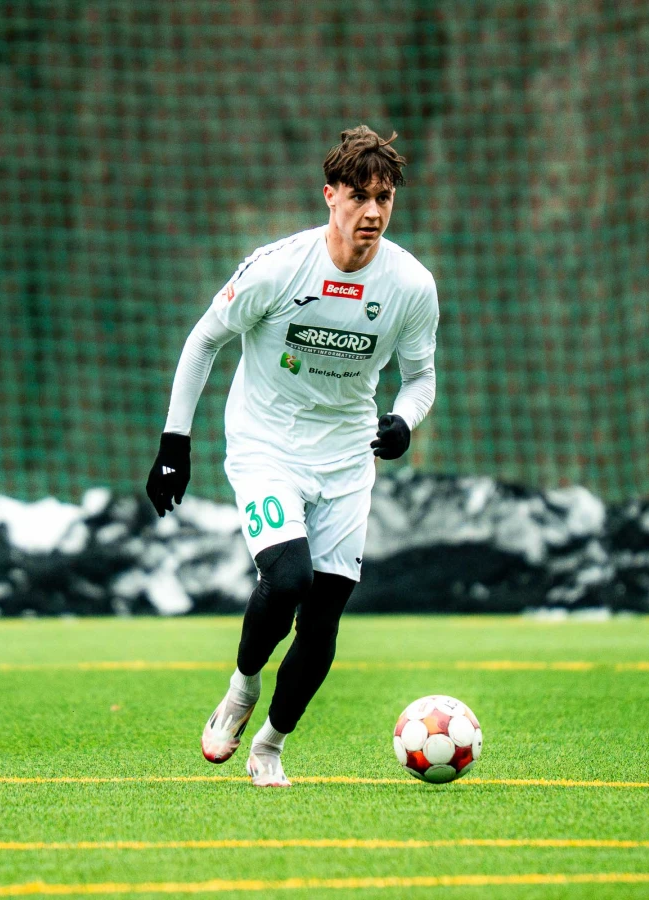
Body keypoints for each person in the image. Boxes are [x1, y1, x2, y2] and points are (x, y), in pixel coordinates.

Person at [145, 125, 439, 787]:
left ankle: (271, 745)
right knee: (288, 581)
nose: (372, 212)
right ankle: (242, 688)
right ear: (330, 195)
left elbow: (421, 379)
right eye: (359, 196)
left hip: (347, 459)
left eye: (384, 198)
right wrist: (174, 442)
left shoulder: (411, 285)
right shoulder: (279, 268)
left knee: (324, 615)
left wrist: (404, 421)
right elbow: (204, 340)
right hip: (266, 446)